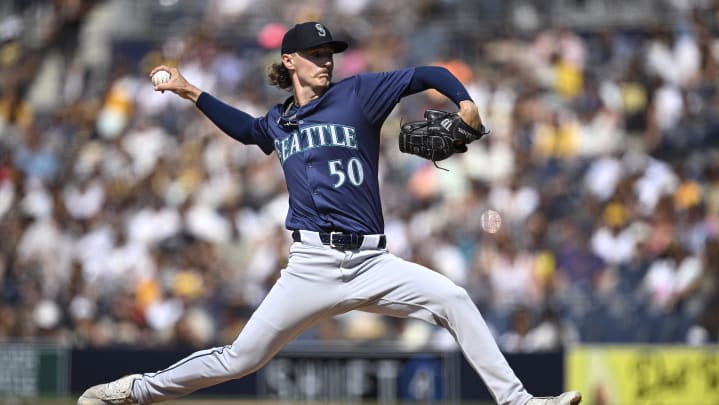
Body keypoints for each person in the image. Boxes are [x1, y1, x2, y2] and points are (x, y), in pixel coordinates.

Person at [78, 22, 582, 405]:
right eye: (315, 55)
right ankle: (136, 391)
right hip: (311, 266)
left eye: (329, 54)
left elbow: (427, 73)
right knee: (240, 359)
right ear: (289, 61)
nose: (326, 62)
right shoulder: (279, 121)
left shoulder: (358, 94)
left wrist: (465, 103)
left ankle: (518, 401)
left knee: (453, 297)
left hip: (372, 261)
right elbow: (247, 129)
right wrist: (190, 91)